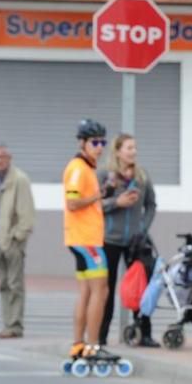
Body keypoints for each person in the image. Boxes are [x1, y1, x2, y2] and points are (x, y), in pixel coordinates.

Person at [63, 119, 119, 363]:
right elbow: (73, 203)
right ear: (82, 143)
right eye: (94, 142)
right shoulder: (78, 168)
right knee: (101, 291)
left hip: (84, 238)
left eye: (102, 142)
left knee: (86, 292)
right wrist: (100, 194)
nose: (99, 147)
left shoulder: (87, 168)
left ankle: (78, 344)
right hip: (86, 240)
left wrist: (100, 193)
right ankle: (94, 346)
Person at [98, 133, 159, 348]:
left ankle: (144, 332)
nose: (133, 152)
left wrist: (142, 228)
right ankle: (101, 335)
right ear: (118, 151)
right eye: (129, 148)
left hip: (136, 241)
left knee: (140, 286)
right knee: (107, 288)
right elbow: (96, 205)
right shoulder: (106, 175)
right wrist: (117, 202)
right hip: (109, 239)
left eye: (135, 147)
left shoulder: (142, 176)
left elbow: (151, 205)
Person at [0, 143, 35, 339]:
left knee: (15, 283)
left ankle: (15, 326)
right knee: (3, 283)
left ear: (9, 158)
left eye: (2, 157)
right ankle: (7, 324)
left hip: (12, 239)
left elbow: (27, 213)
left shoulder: (19, 179)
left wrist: (18, 236)